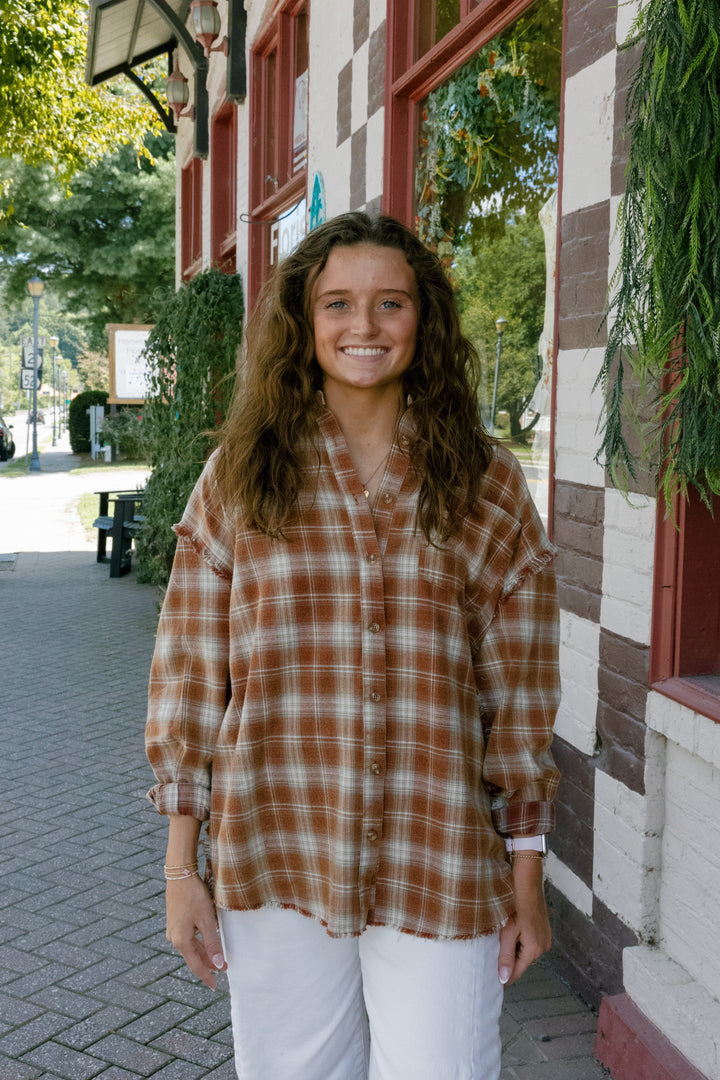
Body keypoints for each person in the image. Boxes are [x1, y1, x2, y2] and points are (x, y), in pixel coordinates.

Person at [145, 211, 560, 1080]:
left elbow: (518, 703)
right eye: (337, 303)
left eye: (390, 304)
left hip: (437, 854)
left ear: (425, 320)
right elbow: (190, 679)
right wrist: (183, 871)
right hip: (277, 846)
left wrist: (527, 884)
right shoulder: (240, 477)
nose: (363, 327)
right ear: (303, 321)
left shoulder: (487, 484)